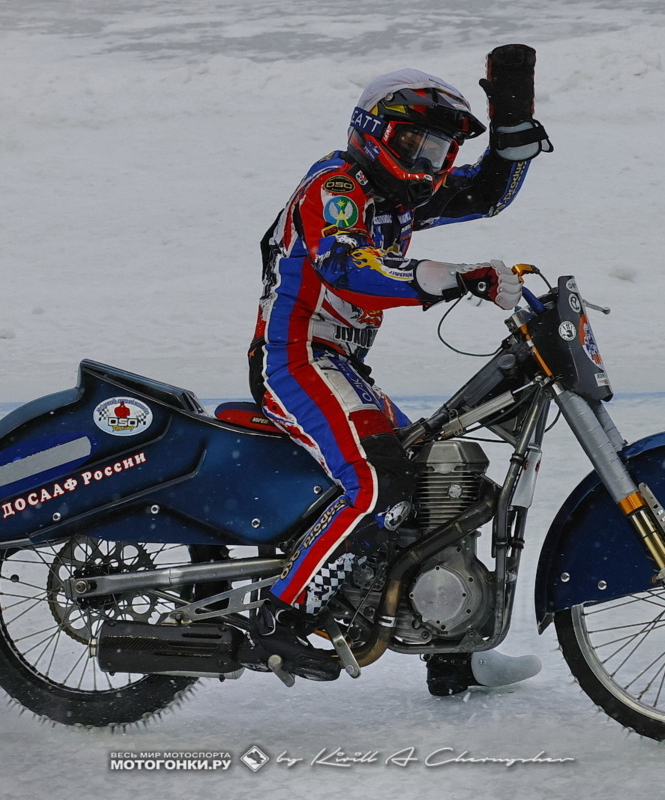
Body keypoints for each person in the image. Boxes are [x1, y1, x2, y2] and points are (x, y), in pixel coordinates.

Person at [240, 45, 552, 695]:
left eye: (441, 152)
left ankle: (454, 650)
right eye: (418, 145)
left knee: (442, 485)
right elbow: (347, 267)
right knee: (380, 481)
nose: (430, 165)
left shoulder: (400, 202)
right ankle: (277, 616)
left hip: (341, 365)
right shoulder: (338, 188)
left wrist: (513, 112)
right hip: (295, 361)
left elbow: (489, 192)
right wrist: (454, 277)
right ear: (375, 133)